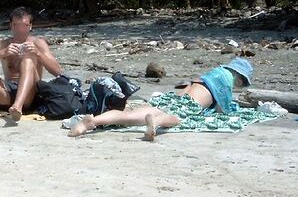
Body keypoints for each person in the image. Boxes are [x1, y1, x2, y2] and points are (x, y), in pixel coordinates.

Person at [68, 57, 253, 141]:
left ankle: (93, 121)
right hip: (188, 104)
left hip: (171, 97)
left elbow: (184, 87)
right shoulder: (225, 80)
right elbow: (225, 109)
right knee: (176, 118)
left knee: (131, 115)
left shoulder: (208, 76)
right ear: (238, 76)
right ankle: (155, 123)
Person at [0, 7, 63, 124]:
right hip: (7, 93)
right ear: (11, 26)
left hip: (30, 95)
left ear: (30, 26)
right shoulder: (3, 44)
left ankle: (18, 106)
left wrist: (38, 53)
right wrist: (3, 52)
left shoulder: (38, 43)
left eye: (24, 25)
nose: (20, 29)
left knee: (28, 61)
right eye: (16, 25)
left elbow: (58, 72)